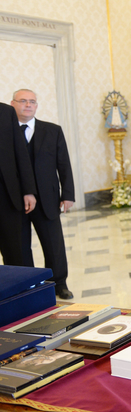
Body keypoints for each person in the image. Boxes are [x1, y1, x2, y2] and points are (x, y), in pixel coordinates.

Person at [11, 89, 75, 300]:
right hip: (14, 200)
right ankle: (26, 285)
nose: (28, 105)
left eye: (32, 102)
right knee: (20, 246)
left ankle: (59, 283)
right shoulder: (4, 132)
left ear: (37, 106)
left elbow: (63, 164)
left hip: (47, 198)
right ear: (13, 104)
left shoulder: (52, 130)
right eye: (23, 101)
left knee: (53, 243)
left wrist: (68, 194)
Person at [0, 102, 36, 266]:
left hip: (6, 194)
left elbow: (20, 152)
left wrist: (28, 190)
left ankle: (22, 290)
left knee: (15, 251)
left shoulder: (6, 112)